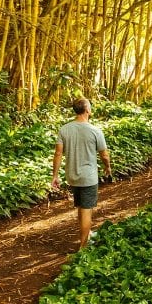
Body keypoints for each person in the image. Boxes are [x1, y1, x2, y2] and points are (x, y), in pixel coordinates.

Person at [51, 97, 112, 249]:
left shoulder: (64, 129)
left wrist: (55, 176)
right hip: (88, 177)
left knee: (81, 207)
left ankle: (87, 234)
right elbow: (104, 155)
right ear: (87, 110)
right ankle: (83, 247)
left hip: (72, 176)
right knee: (86, 210)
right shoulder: (94, 130)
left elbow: (58, 153)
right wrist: (108, 167)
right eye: (90, 106)